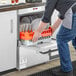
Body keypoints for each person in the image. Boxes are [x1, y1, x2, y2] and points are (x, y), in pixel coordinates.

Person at [32, 0, 76, 76]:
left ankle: (66, 71)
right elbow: (63, 13)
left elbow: (46, 16)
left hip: (72, 14)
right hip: (73, 10)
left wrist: (38, 32)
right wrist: (53, 28)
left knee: (61, 39)